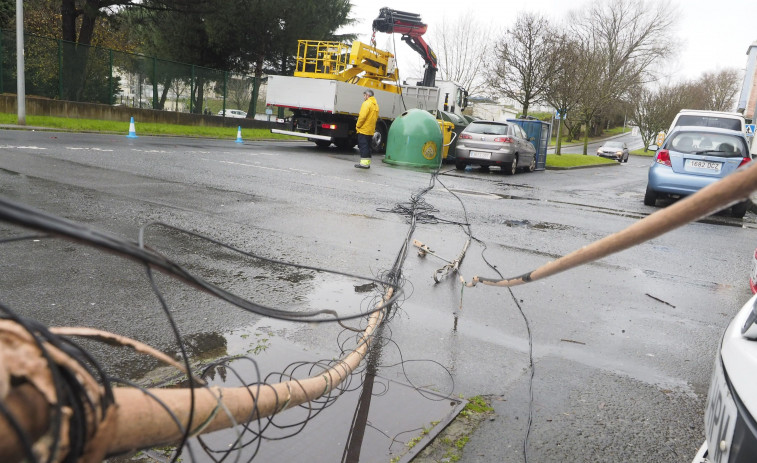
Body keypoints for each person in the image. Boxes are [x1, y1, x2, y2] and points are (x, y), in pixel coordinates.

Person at [355, 89, 379, 169]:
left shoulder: (366, 104)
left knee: (363, 146)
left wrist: (358, 125)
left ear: (367, 95)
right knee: (368, 146)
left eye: (364, 95)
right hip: (370, 130)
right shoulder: (375, 105)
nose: (364, 97)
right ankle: (367, 163)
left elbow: (362, 117)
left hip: (363, 129)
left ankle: (364, 164)